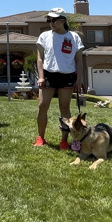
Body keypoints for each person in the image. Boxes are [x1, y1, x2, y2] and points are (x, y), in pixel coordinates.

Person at [34, 8, 85, 148]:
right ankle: (40, 138)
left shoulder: (74, 37)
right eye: (49, 20)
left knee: (64, 108)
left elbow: (79, 60)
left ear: (63, 20)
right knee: (42, 105)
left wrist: (79, 80)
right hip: (48, 75)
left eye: (54, 20)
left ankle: (64, 141)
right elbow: (40, 58)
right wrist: (41, 77)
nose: (51, 23)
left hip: (67, 76)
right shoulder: (44, 36)